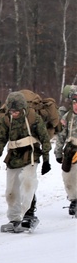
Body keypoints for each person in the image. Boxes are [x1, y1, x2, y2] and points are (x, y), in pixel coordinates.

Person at [0, 91, 52, 232]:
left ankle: (28, 214)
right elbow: (0, 139)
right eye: (12, 111)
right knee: (11, 191)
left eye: (17, 111)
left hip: (31, 154)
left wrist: (46, 160)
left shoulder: (34, 118)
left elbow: (45, 139)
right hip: (14, 156)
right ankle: (14, 218)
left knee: (27, 182)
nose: (14, 113)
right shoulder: (6, 120)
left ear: (23, 108)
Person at [54, 84, 77, 217]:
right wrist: (58, 153)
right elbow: (61, 136)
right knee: (68, 177)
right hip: (70, 149)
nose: (76, 106)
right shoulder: (67, 117)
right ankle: (73, 199)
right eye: (74, 103)